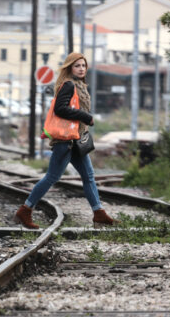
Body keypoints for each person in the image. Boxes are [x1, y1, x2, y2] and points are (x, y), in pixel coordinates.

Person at [14, 52, 115, 230]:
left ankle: (98, 213)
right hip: (65, 140)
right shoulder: (68, 85)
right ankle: (25, 209)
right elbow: (61, 109)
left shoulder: (80, 86)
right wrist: (85, 116)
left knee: (89, 177)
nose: (81, 68)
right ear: (70, 68)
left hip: (76, 139)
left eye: (83, 65)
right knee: (52, 177)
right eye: (77, 66)